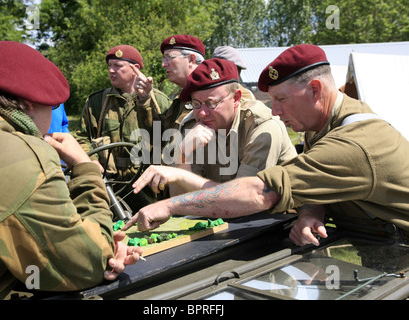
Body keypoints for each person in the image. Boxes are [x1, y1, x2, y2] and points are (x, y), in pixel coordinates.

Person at [123, 44, 409, 271]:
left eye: (282, 100)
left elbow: (258, 193)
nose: (275, 111)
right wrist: (311, 211)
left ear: (315, 90)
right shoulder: (321, 126)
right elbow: (315, 182)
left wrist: (170, 205)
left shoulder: (351, 141)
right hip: (380, 250)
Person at [0, 41, 142, 300]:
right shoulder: (22, 154)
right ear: (30, 104)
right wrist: (86, 168)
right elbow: (86, 264)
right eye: (53, 106)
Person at [132, 58, 296, 197]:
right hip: (224, 219)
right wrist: (182, 155)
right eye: (196, 104)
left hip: (279, 221)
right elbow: (180, 201)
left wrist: (180, 176)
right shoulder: (193, 127)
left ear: (236, 98)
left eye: (211, 103)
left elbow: (243, 197)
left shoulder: (262, 126)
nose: (202, 113)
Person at [74, 44, 170, 212]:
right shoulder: (97, 102)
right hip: (111, 183)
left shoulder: (158, 101)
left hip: (147, 183)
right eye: (109, 66)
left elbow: (170, 141)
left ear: (136, 69)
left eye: (117, 66)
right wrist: (92, 162)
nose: (111, 70)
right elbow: (81, 137)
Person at [133, 34, 206, 135]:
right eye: (164, 58)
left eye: (169, 57)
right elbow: (159, 137)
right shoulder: (182, 97)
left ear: (191, 60)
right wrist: (144, 98)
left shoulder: (211, 96)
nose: (163, 64)